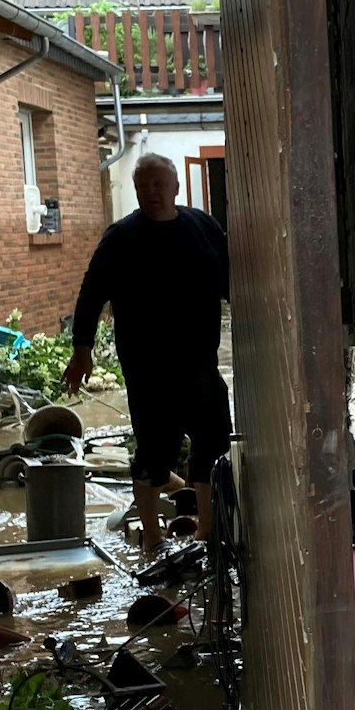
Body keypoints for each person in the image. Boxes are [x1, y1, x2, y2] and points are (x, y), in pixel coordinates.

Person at [64, 152, 230, 552]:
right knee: (155, 451)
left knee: (212, 442)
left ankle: (208, 534)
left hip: (200, 361)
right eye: (143, 186)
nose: (151, 193)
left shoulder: (203, 227)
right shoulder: (121, 238)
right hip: (148, 368)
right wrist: (81, 350)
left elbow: (232, 278)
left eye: (159, 184)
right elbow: (90, 295)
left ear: (175, 186)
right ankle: (153, 538)